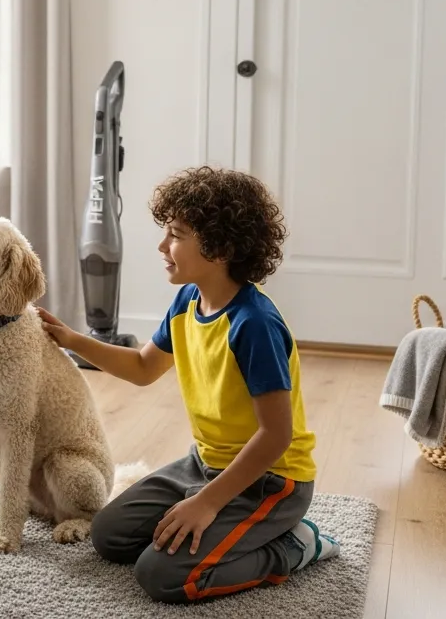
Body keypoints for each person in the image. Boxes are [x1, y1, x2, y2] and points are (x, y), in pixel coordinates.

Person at [37, 166, 339, 604]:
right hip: (203, 464)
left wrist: (207, 503)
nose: (163, 245)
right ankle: (219, 522)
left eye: (176, 235)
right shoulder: (187, 300)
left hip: (271, 480)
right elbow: (143, 367)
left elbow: (276, 436)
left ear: (221, 248)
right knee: (108, 534)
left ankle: (293, 547)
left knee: (162, 576)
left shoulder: (254, 325)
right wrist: (71, 339)